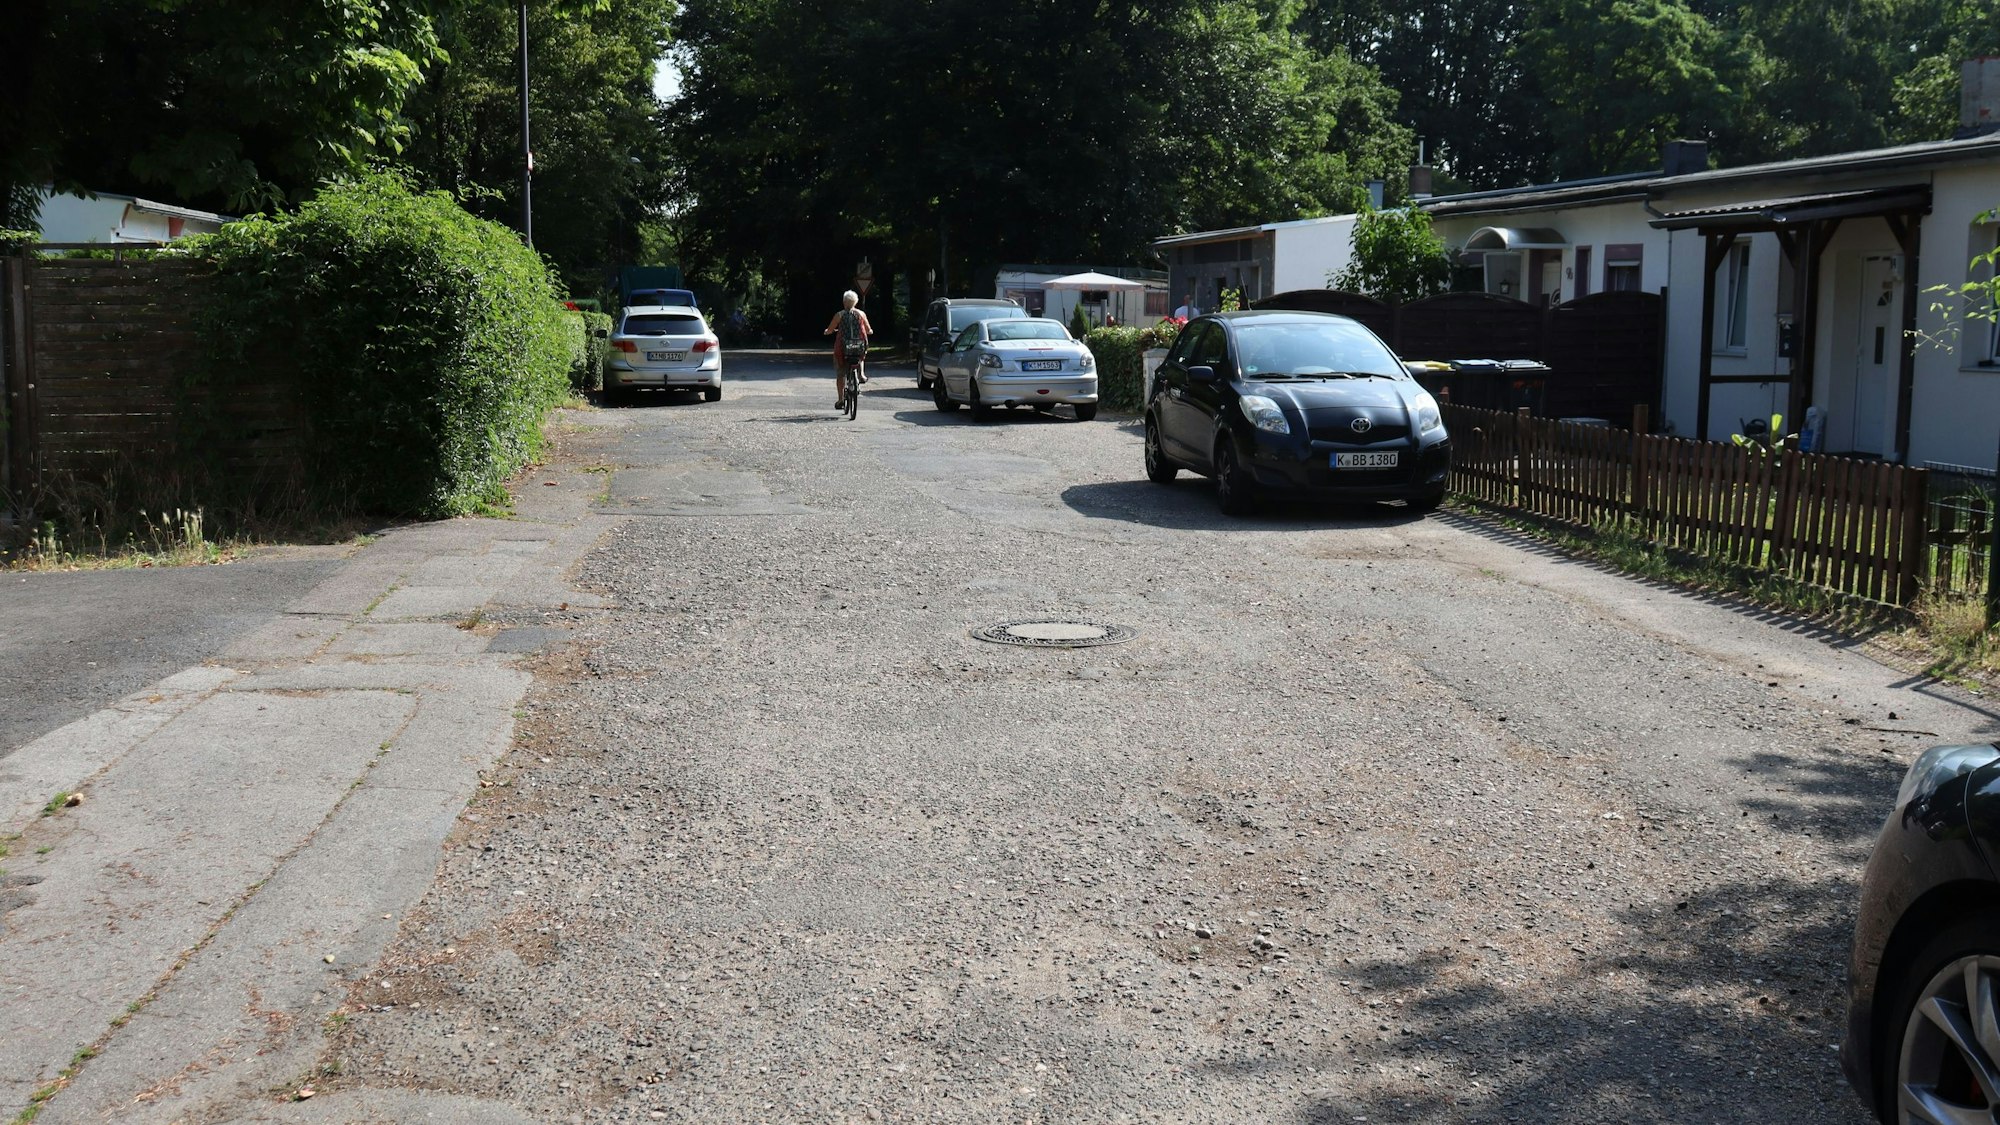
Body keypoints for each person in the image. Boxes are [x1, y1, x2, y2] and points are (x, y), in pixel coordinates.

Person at [822, 290, 873, 408]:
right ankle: (861, 374)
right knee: (860, 355)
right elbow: (868, 329)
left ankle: (840, 399)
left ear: (844, 302)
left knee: (840, 373)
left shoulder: (839, 315)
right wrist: (869, 331)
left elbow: (830, 329)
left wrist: (827, 332)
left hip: (843, 347)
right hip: (859, 345)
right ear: (856, 302)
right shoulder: (861, 314)